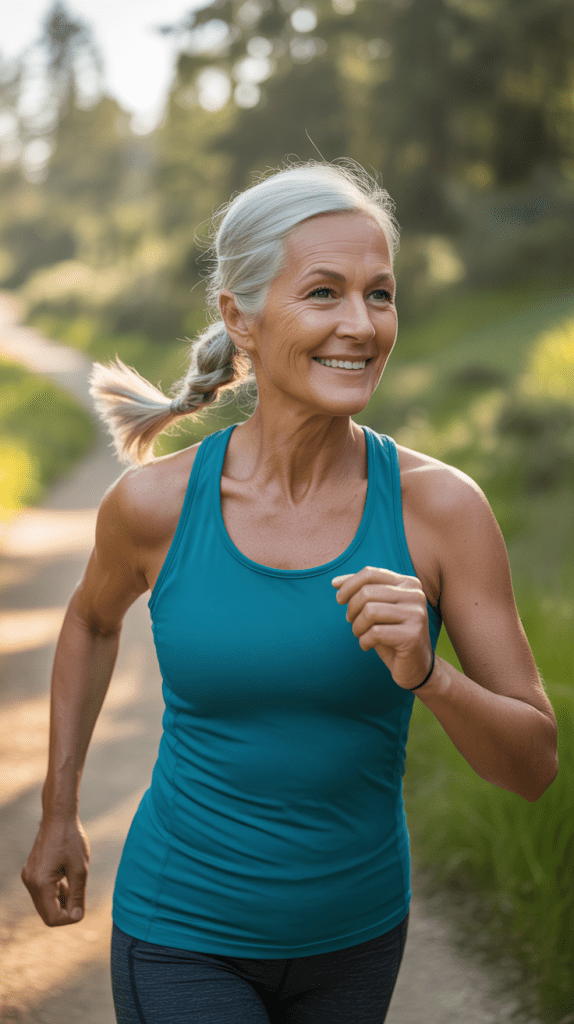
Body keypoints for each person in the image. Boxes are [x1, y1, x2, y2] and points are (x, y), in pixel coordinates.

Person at [22, 159, 558, 1024]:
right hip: (182, 933)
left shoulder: (441, 511)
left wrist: (430, 673)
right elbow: (88, 622)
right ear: (240, 316)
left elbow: (534, 767)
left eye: (379, 294)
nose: (361, 325)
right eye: (323, 293)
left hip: (358, 939)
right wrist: (59, 811)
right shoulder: (155, 505)